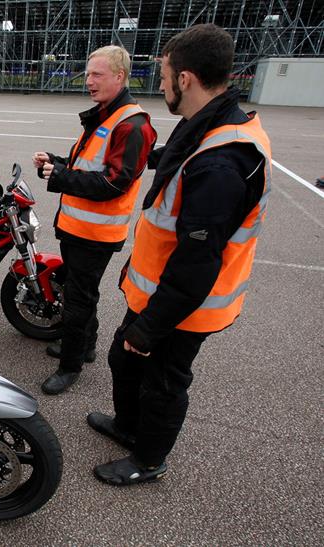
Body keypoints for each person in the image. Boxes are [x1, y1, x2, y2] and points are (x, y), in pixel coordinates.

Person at [89, 24, 272, 485]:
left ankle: (148, 461)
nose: (161, 84)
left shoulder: (220, 163)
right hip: (159, 292)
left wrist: (151, 327)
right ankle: (129, 427)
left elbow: (198, 262)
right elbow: (170, 161)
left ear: (185, 78)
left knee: (164, 384)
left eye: (165, 75)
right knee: (123, 358)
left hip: (185, 305)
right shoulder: (208, 122)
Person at [33, 45, 157, 395]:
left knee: (77, 300)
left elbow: (114, 182)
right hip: (78, 228)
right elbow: (88, 165)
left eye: (97, 74)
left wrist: (58, 176)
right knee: (81, 293)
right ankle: (85, 347)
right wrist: (55, 162)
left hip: (96, 233)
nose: (88, 81)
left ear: (119, 77)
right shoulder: (105, 115)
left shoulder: (131, 125)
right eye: (87, 74)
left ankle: (70, 365)